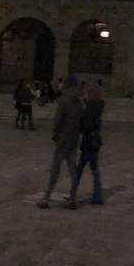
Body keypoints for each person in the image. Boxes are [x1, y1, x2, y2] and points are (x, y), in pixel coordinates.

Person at [37, 74, 85, 209]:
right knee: (73, 170)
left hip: (62, 140)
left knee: (55, 170)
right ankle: (72, 198)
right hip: (73, 141)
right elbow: (82, 125)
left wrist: (55, 135)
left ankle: (46, 197)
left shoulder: (64, 102)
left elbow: (58, 122)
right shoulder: (79, 104)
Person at [71, 81, 105, 206]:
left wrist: (79, 127)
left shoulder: (91, 107)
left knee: (79, 169)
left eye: (85, 92)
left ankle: (72, 194)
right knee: (94, 169)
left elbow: (87, 124)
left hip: (89, 141)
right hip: (96, 140)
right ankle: (97, 196)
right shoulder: (98, 105)